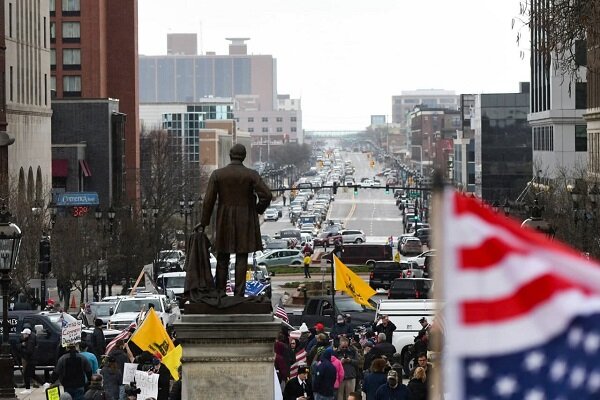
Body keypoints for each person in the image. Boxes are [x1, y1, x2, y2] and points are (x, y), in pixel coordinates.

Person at [198, 144, 272, 297]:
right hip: (245, 219)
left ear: (230, 156)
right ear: (244, 157)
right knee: (242, 256)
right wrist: (257, 209)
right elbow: (267, 195)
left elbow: (208, 201)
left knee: (222, 256)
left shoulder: (218, 174)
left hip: (224, 218)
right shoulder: (251, 175)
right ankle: (239, 294)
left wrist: (204, 222)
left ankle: (220, 292)